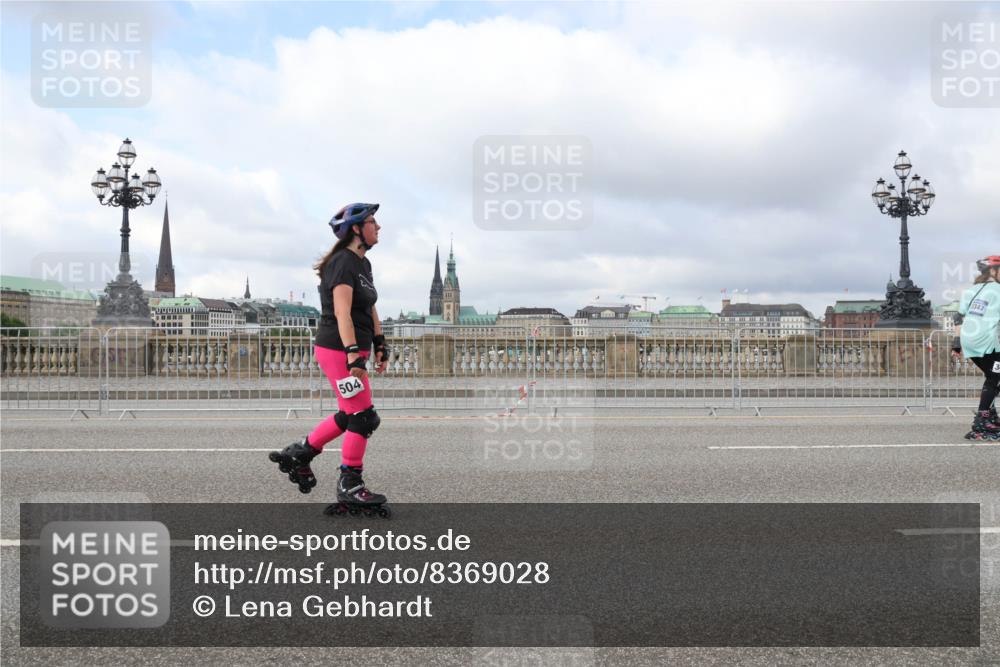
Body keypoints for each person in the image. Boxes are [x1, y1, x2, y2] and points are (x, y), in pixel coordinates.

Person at [270, 202, 391, 514]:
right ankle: (350, 483)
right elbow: (341, 312)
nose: (378, 228)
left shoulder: (362, 264)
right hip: (338, 349)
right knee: (363, 417)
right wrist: (353, 356)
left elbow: (369, 306)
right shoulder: (342, 263)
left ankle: (300, 453)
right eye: (372, 223)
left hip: (353, 347)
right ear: (356, 229)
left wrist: (380, 342)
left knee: (349, 414)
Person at [952, 254, 1000, 441]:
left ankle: (990, 415)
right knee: (995, 378)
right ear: (994, 271)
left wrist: (956, 344)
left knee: (992, 376)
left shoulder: (971, 290)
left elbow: (958, 317)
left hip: (968, 340)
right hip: (986, 341)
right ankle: (982, 422)